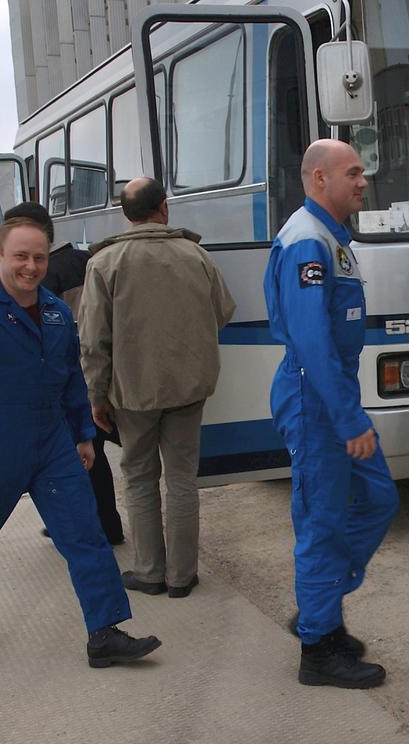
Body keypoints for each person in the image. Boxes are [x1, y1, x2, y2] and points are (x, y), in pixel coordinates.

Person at [0, 216, 161, 669]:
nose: (31, 266)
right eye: (20, 256)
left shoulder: (55, 312)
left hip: (52, 441)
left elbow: (69, 380)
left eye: (39, 257)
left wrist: (83, 434)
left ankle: (104, 631)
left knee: (86, 535)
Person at [265, 139, 399, 689]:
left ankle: (318, 606)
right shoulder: (306, 242)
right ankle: (319, 650)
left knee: (378, 499)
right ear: (319, 179)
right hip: (315, 398)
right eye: (353, 173)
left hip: (334, 393)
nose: (363, 181)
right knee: (322, 524)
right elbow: (312, 340)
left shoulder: (331, 237)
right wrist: (347, 420)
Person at [79, 178, 236, 599]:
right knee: (183, 478)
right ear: (163, 208)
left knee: (139, 476)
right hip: (188, 388)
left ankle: (150, 571)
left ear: (125, 214)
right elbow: (223, 312)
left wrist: (96, 396)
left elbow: (93, 340)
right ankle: (182, 576)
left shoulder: (104, 263)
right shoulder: (196, 254)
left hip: (132, 394)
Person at [2, 202, 125, 546]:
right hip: (105, 371)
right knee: (96, 455)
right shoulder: (87, 260)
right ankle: (107, 524)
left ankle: (89, 528)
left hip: (74, 378)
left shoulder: (41, 280)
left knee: (81, 458)